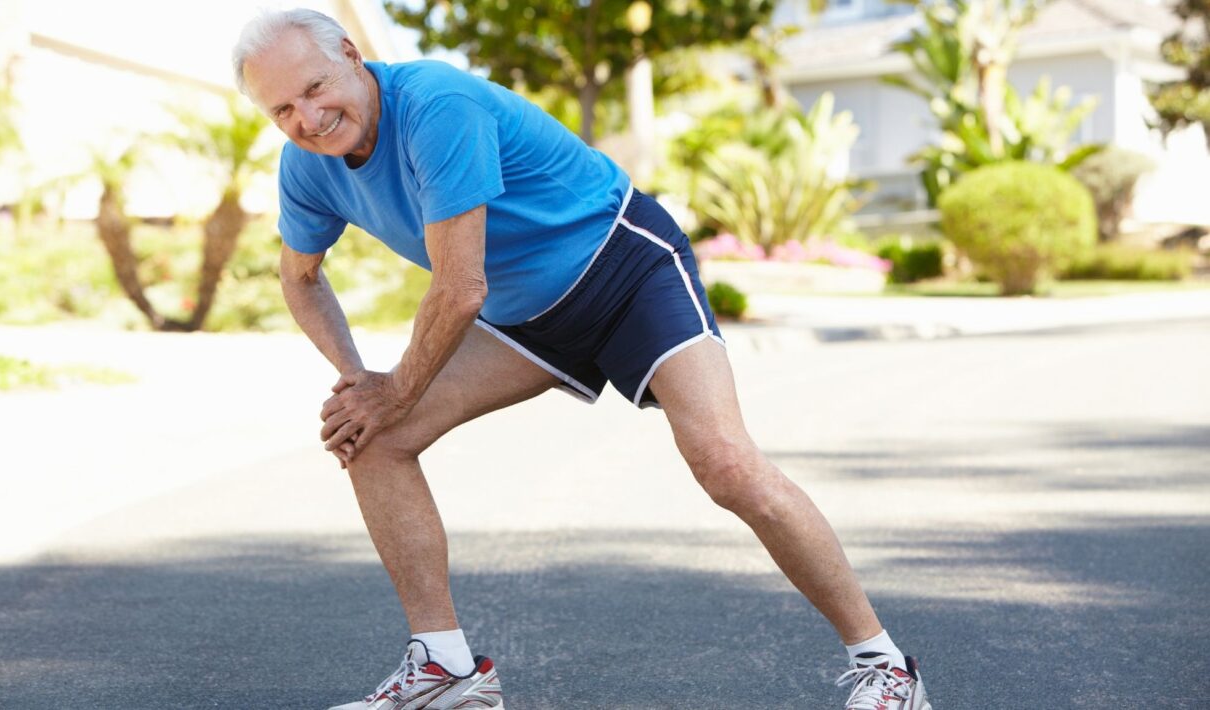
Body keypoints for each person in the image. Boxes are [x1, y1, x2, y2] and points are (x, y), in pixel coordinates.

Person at [232, 8, 931, 710]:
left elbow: (460, 287)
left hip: (624, 269)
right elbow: (300, 278)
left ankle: (887, 668)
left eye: (315, 88)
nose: (308, 118)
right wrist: (359, 382)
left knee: (725, 463)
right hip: (524, 316)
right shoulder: (308, 167)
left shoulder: (436, 106)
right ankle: (447, 671)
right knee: (373, 438)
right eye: (283, 109)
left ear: (352, 54)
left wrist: (395, 389)